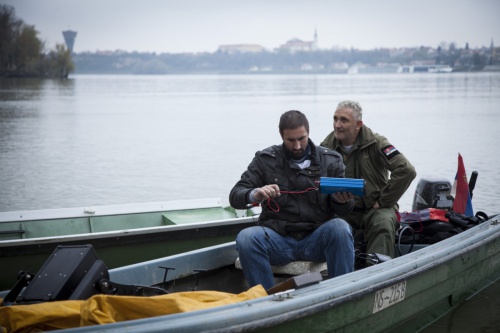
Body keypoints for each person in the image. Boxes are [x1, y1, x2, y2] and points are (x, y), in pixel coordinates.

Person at [229, 110, 355, 290]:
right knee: (246, 238)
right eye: (291, 140)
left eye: (301, 138)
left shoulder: (331, 160)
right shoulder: (265, 159)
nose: (297, 146)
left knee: (341, 228)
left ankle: (342, 293)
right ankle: (265, 302)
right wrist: (255, 193)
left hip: (316, 238)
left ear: (309, 132)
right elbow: (235, 196)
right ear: (281, 136)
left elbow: (345, 210)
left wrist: (342, 201)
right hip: (278, 239)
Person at [321, 100, 416, 260]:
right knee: (330, 227)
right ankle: (336, 277)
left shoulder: (376, 143)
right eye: (335, 119)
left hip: (376, 209)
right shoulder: (325, 149)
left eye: (344, 120)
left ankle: (377, 275)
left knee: (383, 223)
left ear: (358, 124)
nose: (337, 125)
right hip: (344, 210)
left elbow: (406, 170)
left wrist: (384, 201)